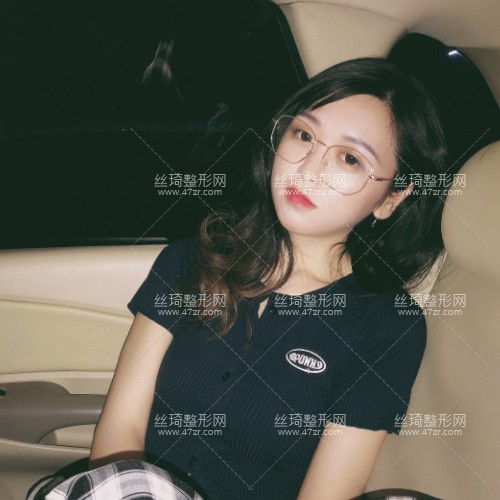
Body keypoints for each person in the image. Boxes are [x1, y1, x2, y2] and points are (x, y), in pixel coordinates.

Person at [87, 57, 448, 499]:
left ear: (391, 198)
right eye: (304, 135)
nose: (307, 169)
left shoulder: (387, 326)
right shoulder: (190, 260)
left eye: (349, 158)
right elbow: (121, 426)